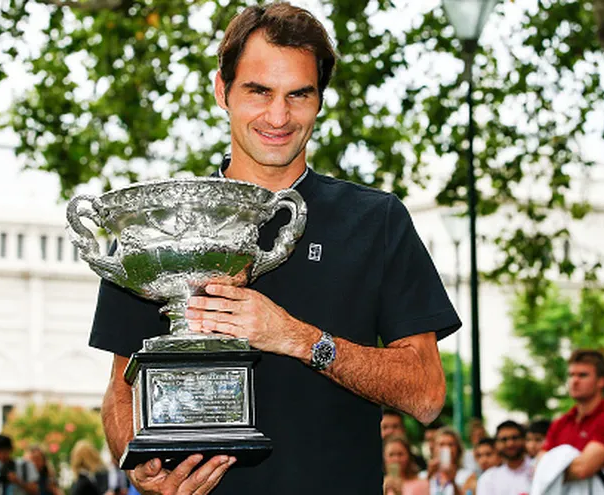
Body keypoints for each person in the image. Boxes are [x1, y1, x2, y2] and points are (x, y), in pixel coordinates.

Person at [88, 3, 459, 495]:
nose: (278, 116)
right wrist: (138, 464)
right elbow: (120, 390)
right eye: (259, 91)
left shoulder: (376, 220)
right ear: (222, 91)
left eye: (298, 95)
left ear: (320, 100)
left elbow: (428, 394)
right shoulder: (157, 224)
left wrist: (299, 339)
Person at [541, 349, 604, 488]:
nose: (574, 381)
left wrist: (549, 470)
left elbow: (582, 469)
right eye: (571, 375)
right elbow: (538, 465)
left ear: (601, 381)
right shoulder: (561, 422)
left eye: (582, 375)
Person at [475, 421, 532, 495]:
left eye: (514, 438)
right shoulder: (488, 478)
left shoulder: (537, 470)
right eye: (504, 439)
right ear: (497, 444)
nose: (510, 444)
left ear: (523, 440)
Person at [426, 426, 476, 495]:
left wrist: (453, 482)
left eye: (450, 444)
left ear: (458, 449)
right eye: (441, 444)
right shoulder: (423, 475)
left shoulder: (467, 476)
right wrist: (428, 476)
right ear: (434, 448)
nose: (446, 448)